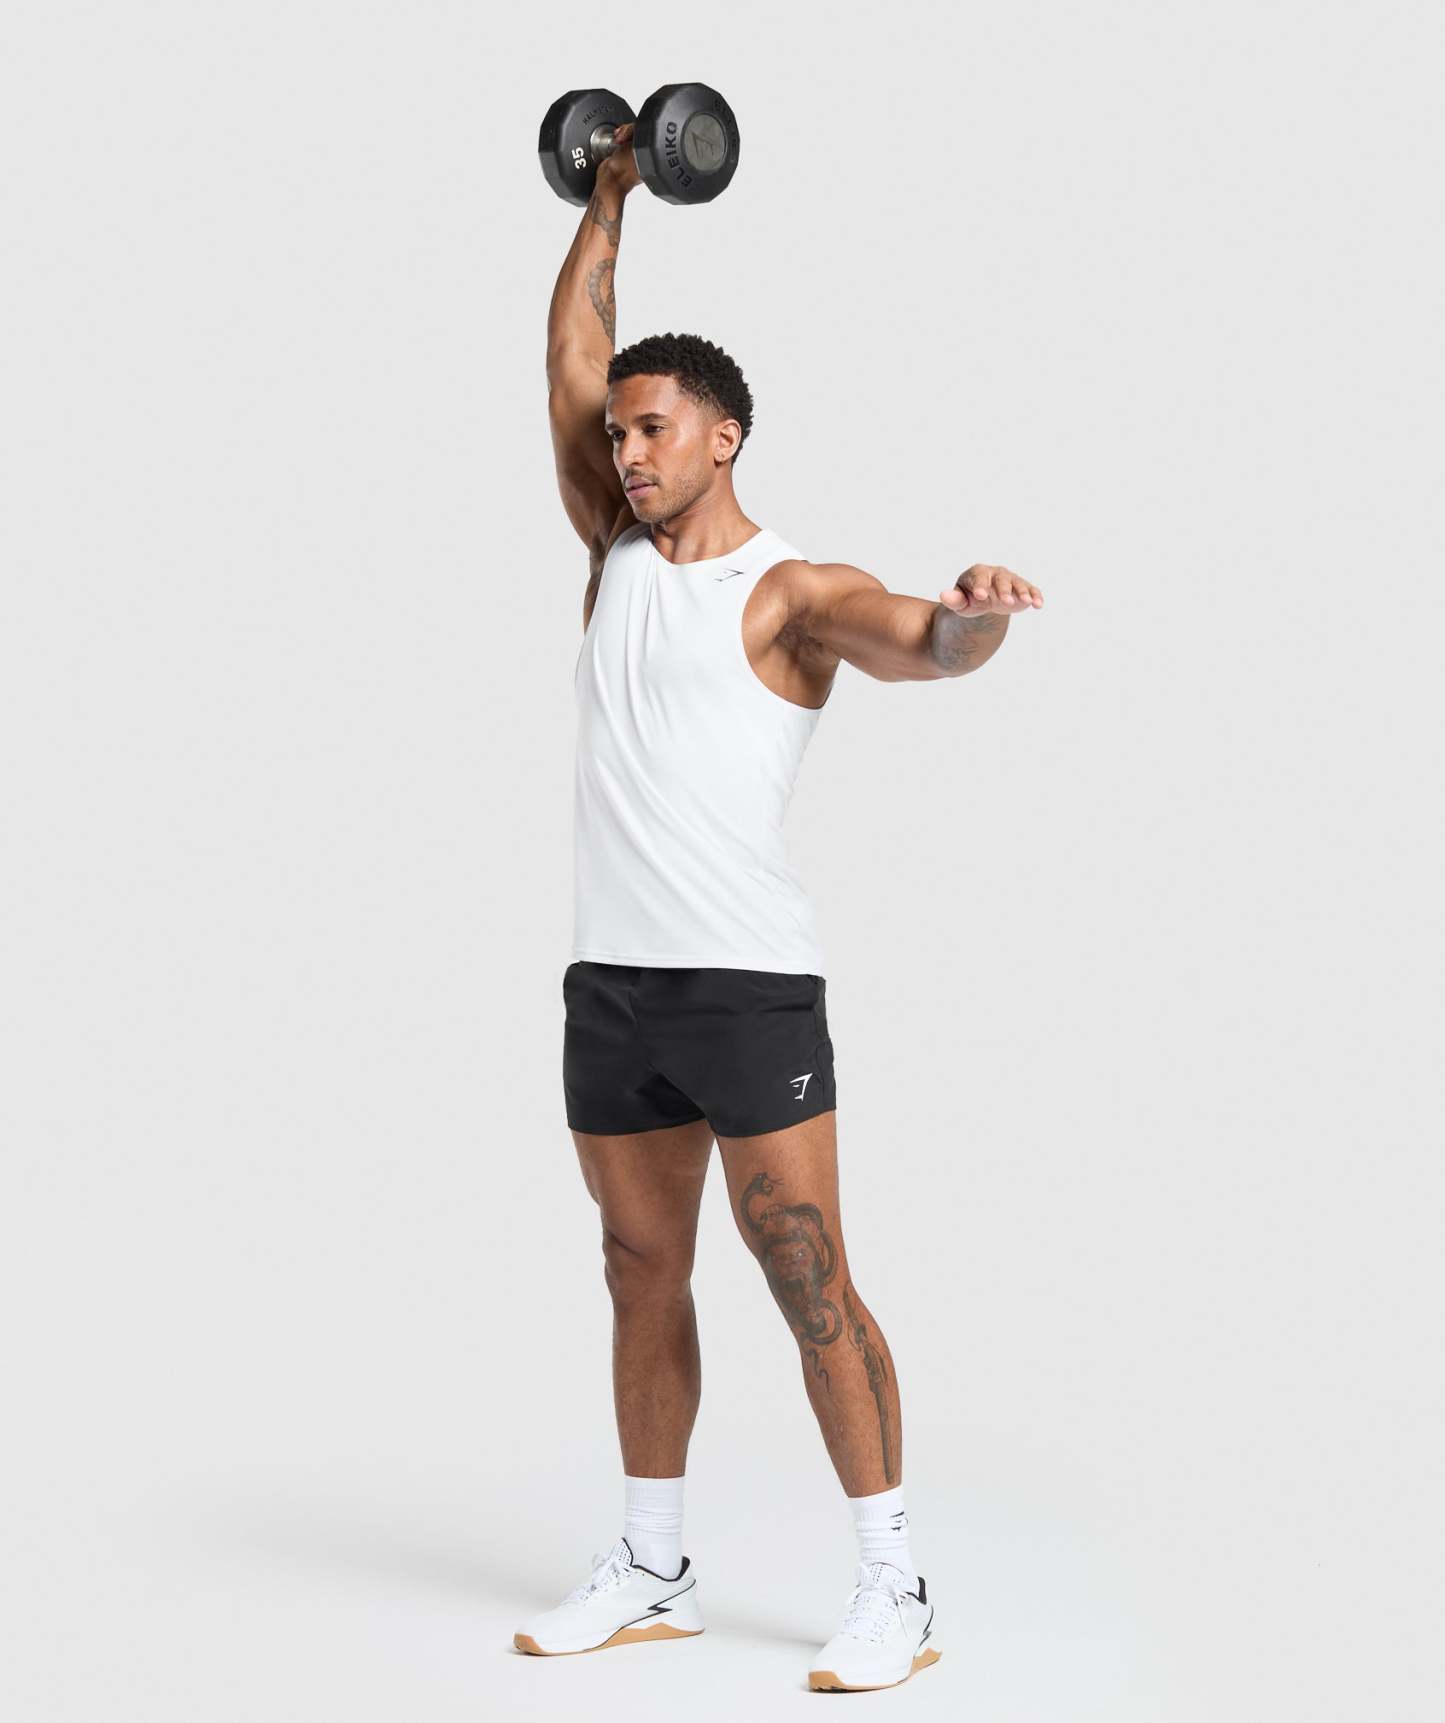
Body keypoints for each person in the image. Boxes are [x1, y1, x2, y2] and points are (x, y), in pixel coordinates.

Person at [514, 120, 1042, 1693]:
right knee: (637, 1269)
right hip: (611, 986)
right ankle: (653, 1564)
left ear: (723, 437)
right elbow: (570, 350)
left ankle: (895, 1585)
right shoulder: (611, 554)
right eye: (617, 435)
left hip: (745, 987)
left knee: (806, 1275)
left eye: (653, 431)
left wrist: (972, 619)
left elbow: (918, 643)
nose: (625, 452)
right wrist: (611, 188)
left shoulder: (791, 594)